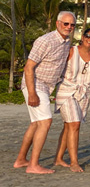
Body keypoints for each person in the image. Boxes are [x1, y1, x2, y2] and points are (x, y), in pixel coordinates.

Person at [14, 11, 75, 174]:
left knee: (35, 123)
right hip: (35, 84)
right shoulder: (45, 41)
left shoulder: (66, 41)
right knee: (46, 122)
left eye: (72, 25)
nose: (69, 27)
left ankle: (21, 160)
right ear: (57, 23)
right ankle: (33, 165)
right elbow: (28, 67)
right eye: (65, 23)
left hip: (46, 87)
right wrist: (32, 93)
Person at [53, 27, 90, 172]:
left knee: (69, 125)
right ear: (82, 37)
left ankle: (59, 158)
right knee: (74, 124)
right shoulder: (71, 50)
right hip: (67, 90)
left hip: (84, 94)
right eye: (88, 36)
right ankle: (74, 161)